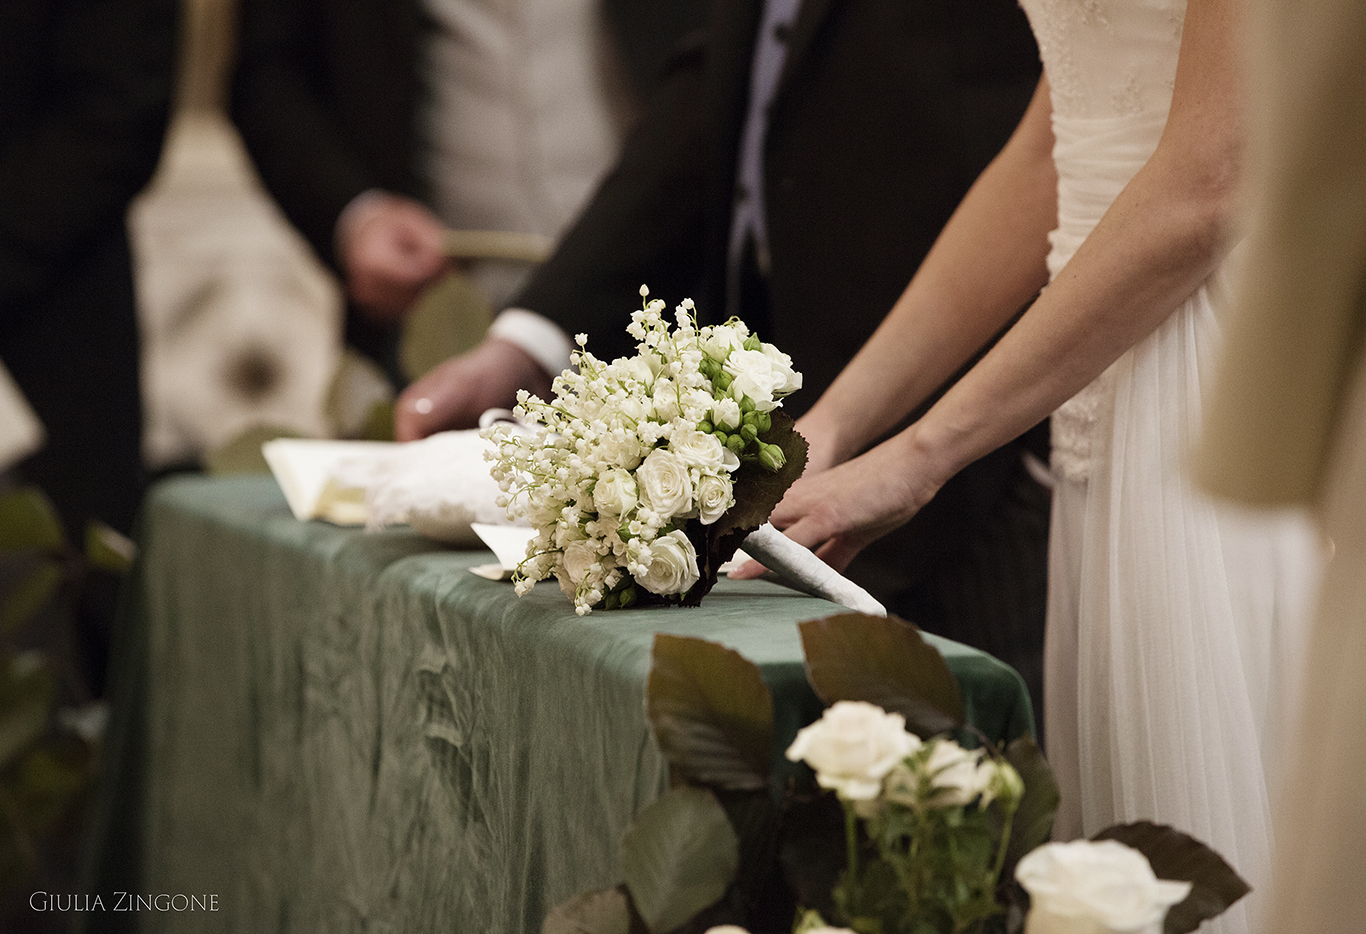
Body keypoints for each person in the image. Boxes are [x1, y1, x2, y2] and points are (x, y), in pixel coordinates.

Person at [735, 1, 1318, 931]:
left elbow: (1211, 178)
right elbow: (1056, 144)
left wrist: (923, 455)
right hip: (1106, 380)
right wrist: (837, 423)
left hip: (1222, 372)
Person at [394, 0, 1053, 720]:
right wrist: (532, 337)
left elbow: (1047, 147)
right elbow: (723, 76)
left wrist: (922, 452)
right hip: (807, 433)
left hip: (993, 455)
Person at [230, 0, 702, 378]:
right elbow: (269, 74)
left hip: (662, 303)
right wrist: (358, 215)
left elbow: (717, 65)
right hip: (432, 312)